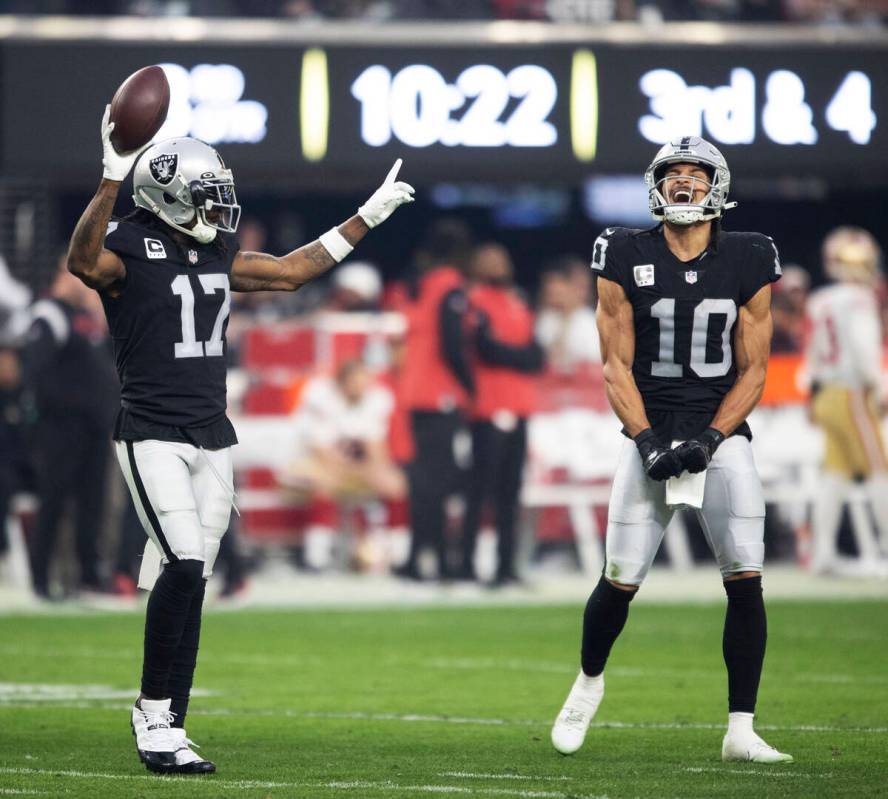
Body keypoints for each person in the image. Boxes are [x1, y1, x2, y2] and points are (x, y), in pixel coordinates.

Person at [66, 106, 413, 775]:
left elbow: (291, 271)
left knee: (192, 579)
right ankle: (153, 712)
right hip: (152, 431)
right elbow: (82, 260)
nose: (218, 210)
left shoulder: (217, 248)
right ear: (167, 195)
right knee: (187, 562)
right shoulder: (130, 244)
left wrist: (367, 215)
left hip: (212, 433)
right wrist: (111, 174)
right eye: (206, 196)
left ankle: (172, 717)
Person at [550, 136, 792, 764]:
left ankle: (741, 728)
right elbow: (614, 365)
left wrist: (712, 439)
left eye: (696, 174)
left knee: (746, 579)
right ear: (657, 184)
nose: (685, 183)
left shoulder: (750, 255)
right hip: (649, 429)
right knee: (620, 578)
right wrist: (647, 442)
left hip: (722, 431)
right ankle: (587, 685)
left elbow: (755, 369)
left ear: (719, 186)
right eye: (674, 173)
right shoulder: (623, 252)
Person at [23, 258, 119, 598]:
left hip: (93, 428)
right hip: (62, 428)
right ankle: (40, 580)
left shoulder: (84, 318)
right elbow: (35, 371)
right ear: (65, 274)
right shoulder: (48, 314)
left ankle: (89, 577)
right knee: (54, 502)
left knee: (92, 503)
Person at [458, 243, 544, 585]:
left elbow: (537, 356)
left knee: (511, 491)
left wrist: (513, 355)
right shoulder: (473, 301)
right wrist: (518, 356)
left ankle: (506, 566)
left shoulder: (517, 302)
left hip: (520, 406)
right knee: (479, 492)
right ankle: (465, 565)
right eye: (489, 259)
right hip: (486, 407)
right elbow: (485, 349)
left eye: (501, 258)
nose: (498, 264)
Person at [395, 220, 475, 581]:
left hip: (415, 393)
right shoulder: (450, 287)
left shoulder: (421, 285)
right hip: (440, 395)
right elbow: (452, 344)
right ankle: (442, 563)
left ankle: (416, 559)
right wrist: (470, 386)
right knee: (440, 485)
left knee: (423, 484)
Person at [805, 227, 888, 575]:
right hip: (851, 392)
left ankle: (821, 552)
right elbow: (863, 347)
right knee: (878, 471)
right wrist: (880, 385)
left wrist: (812, 395)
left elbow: (810, 355)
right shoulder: (858, 299)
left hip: (826, 392)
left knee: (835, 475)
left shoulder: (819, 299)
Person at [279, 358, 406, 569]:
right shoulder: (319, 397)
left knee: (395, 483)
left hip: (354, 464)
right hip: (309, 460)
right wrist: (357, 470)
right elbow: (322, 450)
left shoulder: (376, 399)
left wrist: (374, 471)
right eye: (354, 384)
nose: (360, 389)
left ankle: (399, 556)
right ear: (341, 383)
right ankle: (316, 558)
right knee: (325, 482)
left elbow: (377, 449)